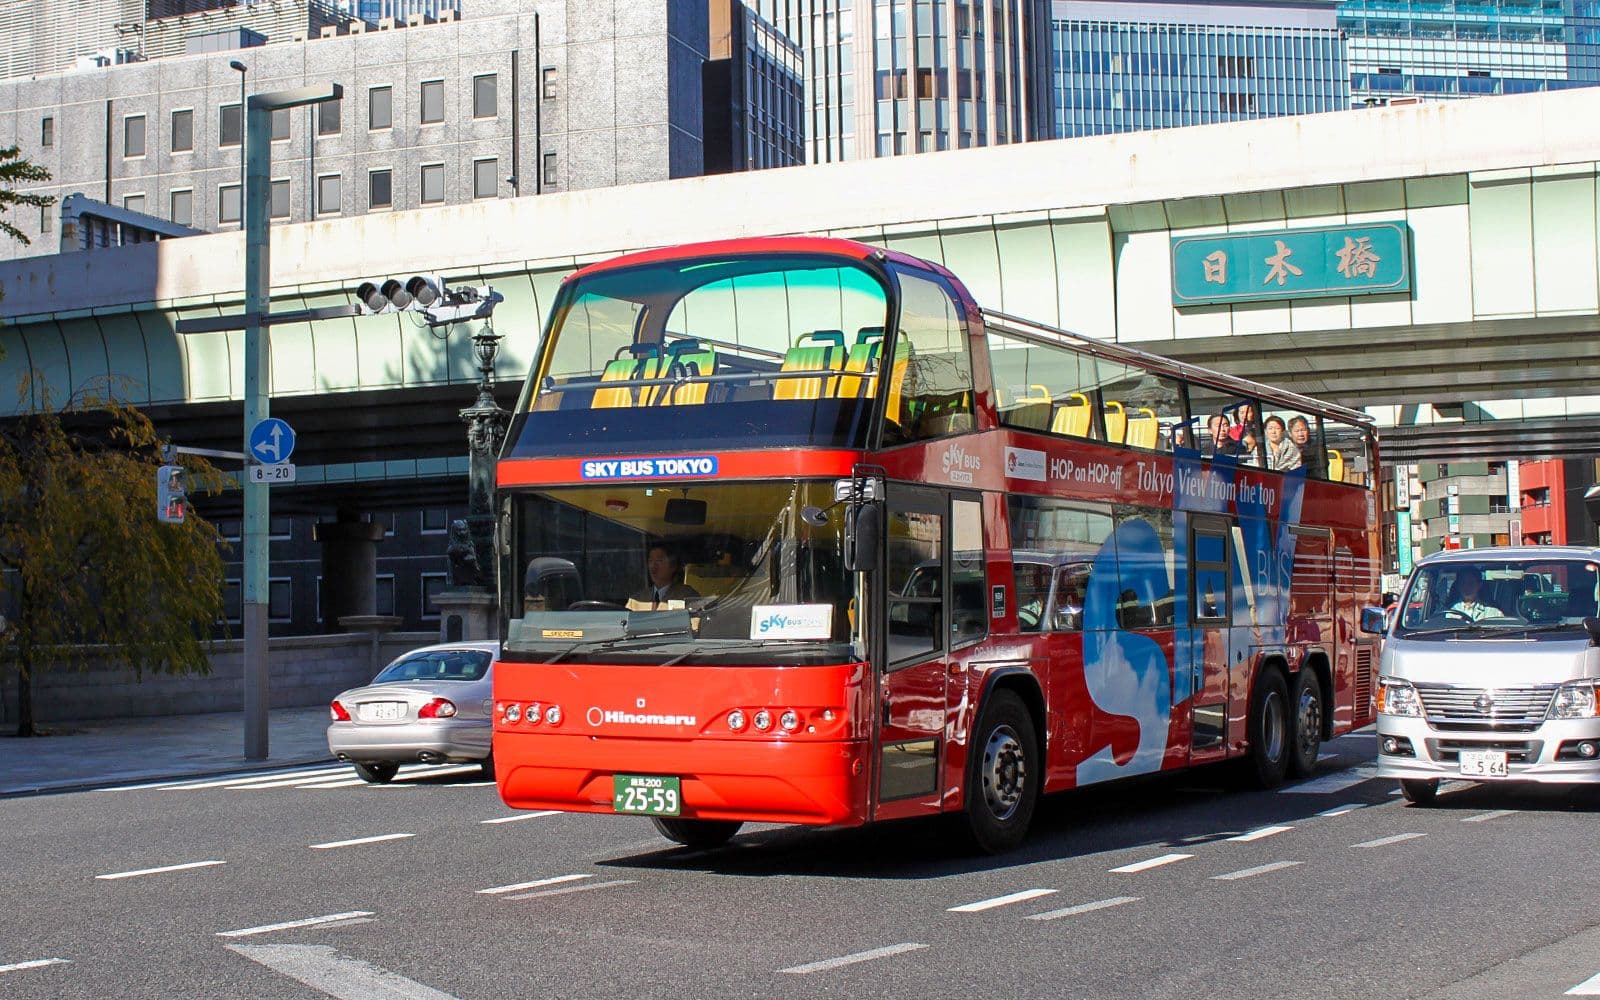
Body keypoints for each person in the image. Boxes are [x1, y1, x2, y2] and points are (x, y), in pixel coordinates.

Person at [631, 543, 700, 608]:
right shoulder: (637, 599)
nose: (653, 566)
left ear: (673, 566)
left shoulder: (687, 595)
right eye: (650, 561)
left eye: (659, 560)